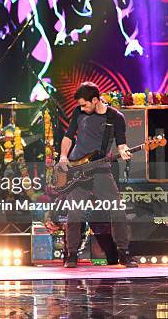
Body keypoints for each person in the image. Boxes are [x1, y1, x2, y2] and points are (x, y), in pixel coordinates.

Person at [58, 81, 137, 268]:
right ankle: (71, 254)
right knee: (75, 211)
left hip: (101, 169)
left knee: (117, 208)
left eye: (85, 104)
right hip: (77, 169)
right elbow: (69, 136)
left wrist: (124, 151)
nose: (82, 108)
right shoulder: (79, 112)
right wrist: (63, 157)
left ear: (95, 100)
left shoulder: (115, 117)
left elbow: (122, 143)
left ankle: (124, 253)